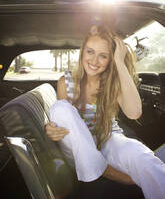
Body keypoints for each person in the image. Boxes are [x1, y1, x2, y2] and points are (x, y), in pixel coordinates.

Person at [45, 25, 165, 199]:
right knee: (60, 108)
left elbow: (134, 113)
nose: (94, 61)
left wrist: (119, 61)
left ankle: (99, 166)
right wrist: (51, 128)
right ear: (82, 52)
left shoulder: (111, 82)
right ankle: (100, 168)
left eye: (103, 56)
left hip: (107, 137)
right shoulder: (66, 81)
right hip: (76, 145)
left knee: (141, 156)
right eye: (90, 52)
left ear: (110, 59)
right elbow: (64, 122)